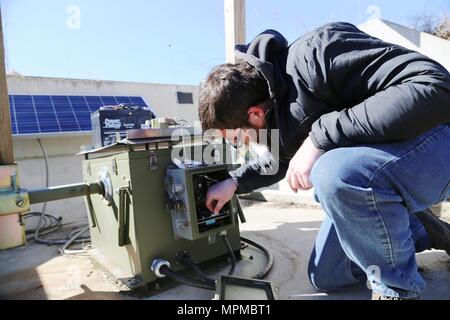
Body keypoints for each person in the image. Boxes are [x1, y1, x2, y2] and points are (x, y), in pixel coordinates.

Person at [198, 22, 450, 300]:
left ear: (255, 114)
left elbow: (435, 87)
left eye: (238, 138)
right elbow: (282, 160)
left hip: (440, 138)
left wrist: (319, 137)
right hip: (392, 165)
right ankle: (425, 230)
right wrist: (234, 182)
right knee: (326, 274)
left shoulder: (318, 54)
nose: (241, 145)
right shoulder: (275, 113)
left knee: (332, 174)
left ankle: (395, 289)